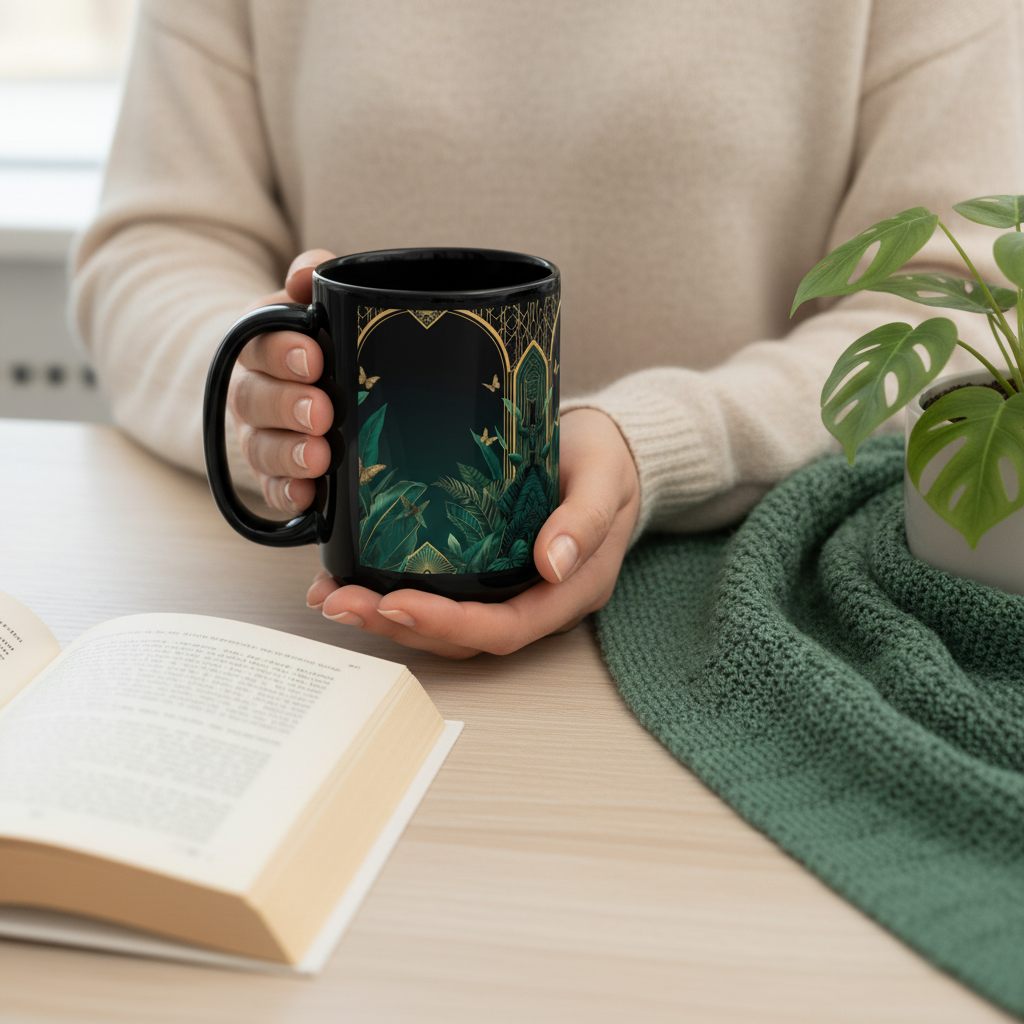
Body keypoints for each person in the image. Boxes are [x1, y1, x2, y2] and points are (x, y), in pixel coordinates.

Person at [73, 0, 1023, 658]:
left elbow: (949, 303)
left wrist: (660, 443)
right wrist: (266, 410)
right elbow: (161, 239)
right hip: (310, 643)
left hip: (737, 608)